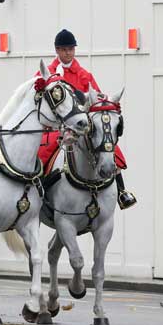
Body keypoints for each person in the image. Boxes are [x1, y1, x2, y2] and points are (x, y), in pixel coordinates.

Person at [38, 29, 136, 209]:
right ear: (57, 51)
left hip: (81, 127)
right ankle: (38, 191)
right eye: (64, 49)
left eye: (71, 49)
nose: (68, 53)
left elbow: (96, 100)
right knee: (43, 152)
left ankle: (122, 191)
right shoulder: (47, 73)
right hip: (55, 127)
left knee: (109, 145)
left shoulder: (84, 75)